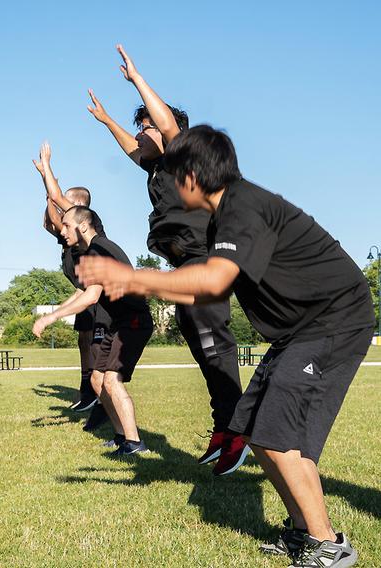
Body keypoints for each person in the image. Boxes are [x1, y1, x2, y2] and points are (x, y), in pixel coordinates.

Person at [78, 125, 373, 567]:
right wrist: (138, 285)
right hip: (298, 330)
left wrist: (132, 276)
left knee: (279, 436)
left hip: (332, 322)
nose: (170, 190)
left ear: (192, 178)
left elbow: (213, 280)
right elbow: (209, 292)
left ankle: (330, 546)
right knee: (253, 430)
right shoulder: (225, 216)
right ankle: (302, 533)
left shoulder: (243, 207)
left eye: (174, 179)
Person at [86, 45, 246, 475]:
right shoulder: (155, 167)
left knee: (215, 345)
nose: (142, 134)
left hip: (206, 259)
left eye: (146, 127)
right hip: (184, 267)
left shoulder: (182, 155)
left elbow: (169, 126)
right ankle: (225, 426)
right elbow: (131, 150)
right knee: (199, 344)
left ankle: (238, 431)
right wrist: (107, 122)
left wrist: (137, 80)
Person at [34, 206, 153, 455]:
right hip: (117, 322)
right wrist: (50, 314)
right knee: (97, 379)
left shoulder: (100, 249)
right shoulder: (93, 251)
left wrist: (52, 318)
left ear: (84, 226)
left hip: (132, 321)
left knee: (111, 379)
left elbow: (91, 296)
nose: (63, 230)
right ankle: (122, 436)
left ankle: (134, 444)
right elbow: (81, 292)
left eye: (67, 225)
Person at [33, 142, 112, 428]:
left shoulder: (87, 231)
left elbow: (55, 208)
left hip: (103, 301)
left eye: (64, 200)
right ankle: (90, 396)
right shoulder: (70, 234)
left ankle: (102, 405)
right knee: (84, 342)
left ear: (77, 205)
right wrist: (47, 192)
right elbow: (49, 221)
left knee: (103, 363)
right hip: (86, 294)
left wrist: (47, 171)